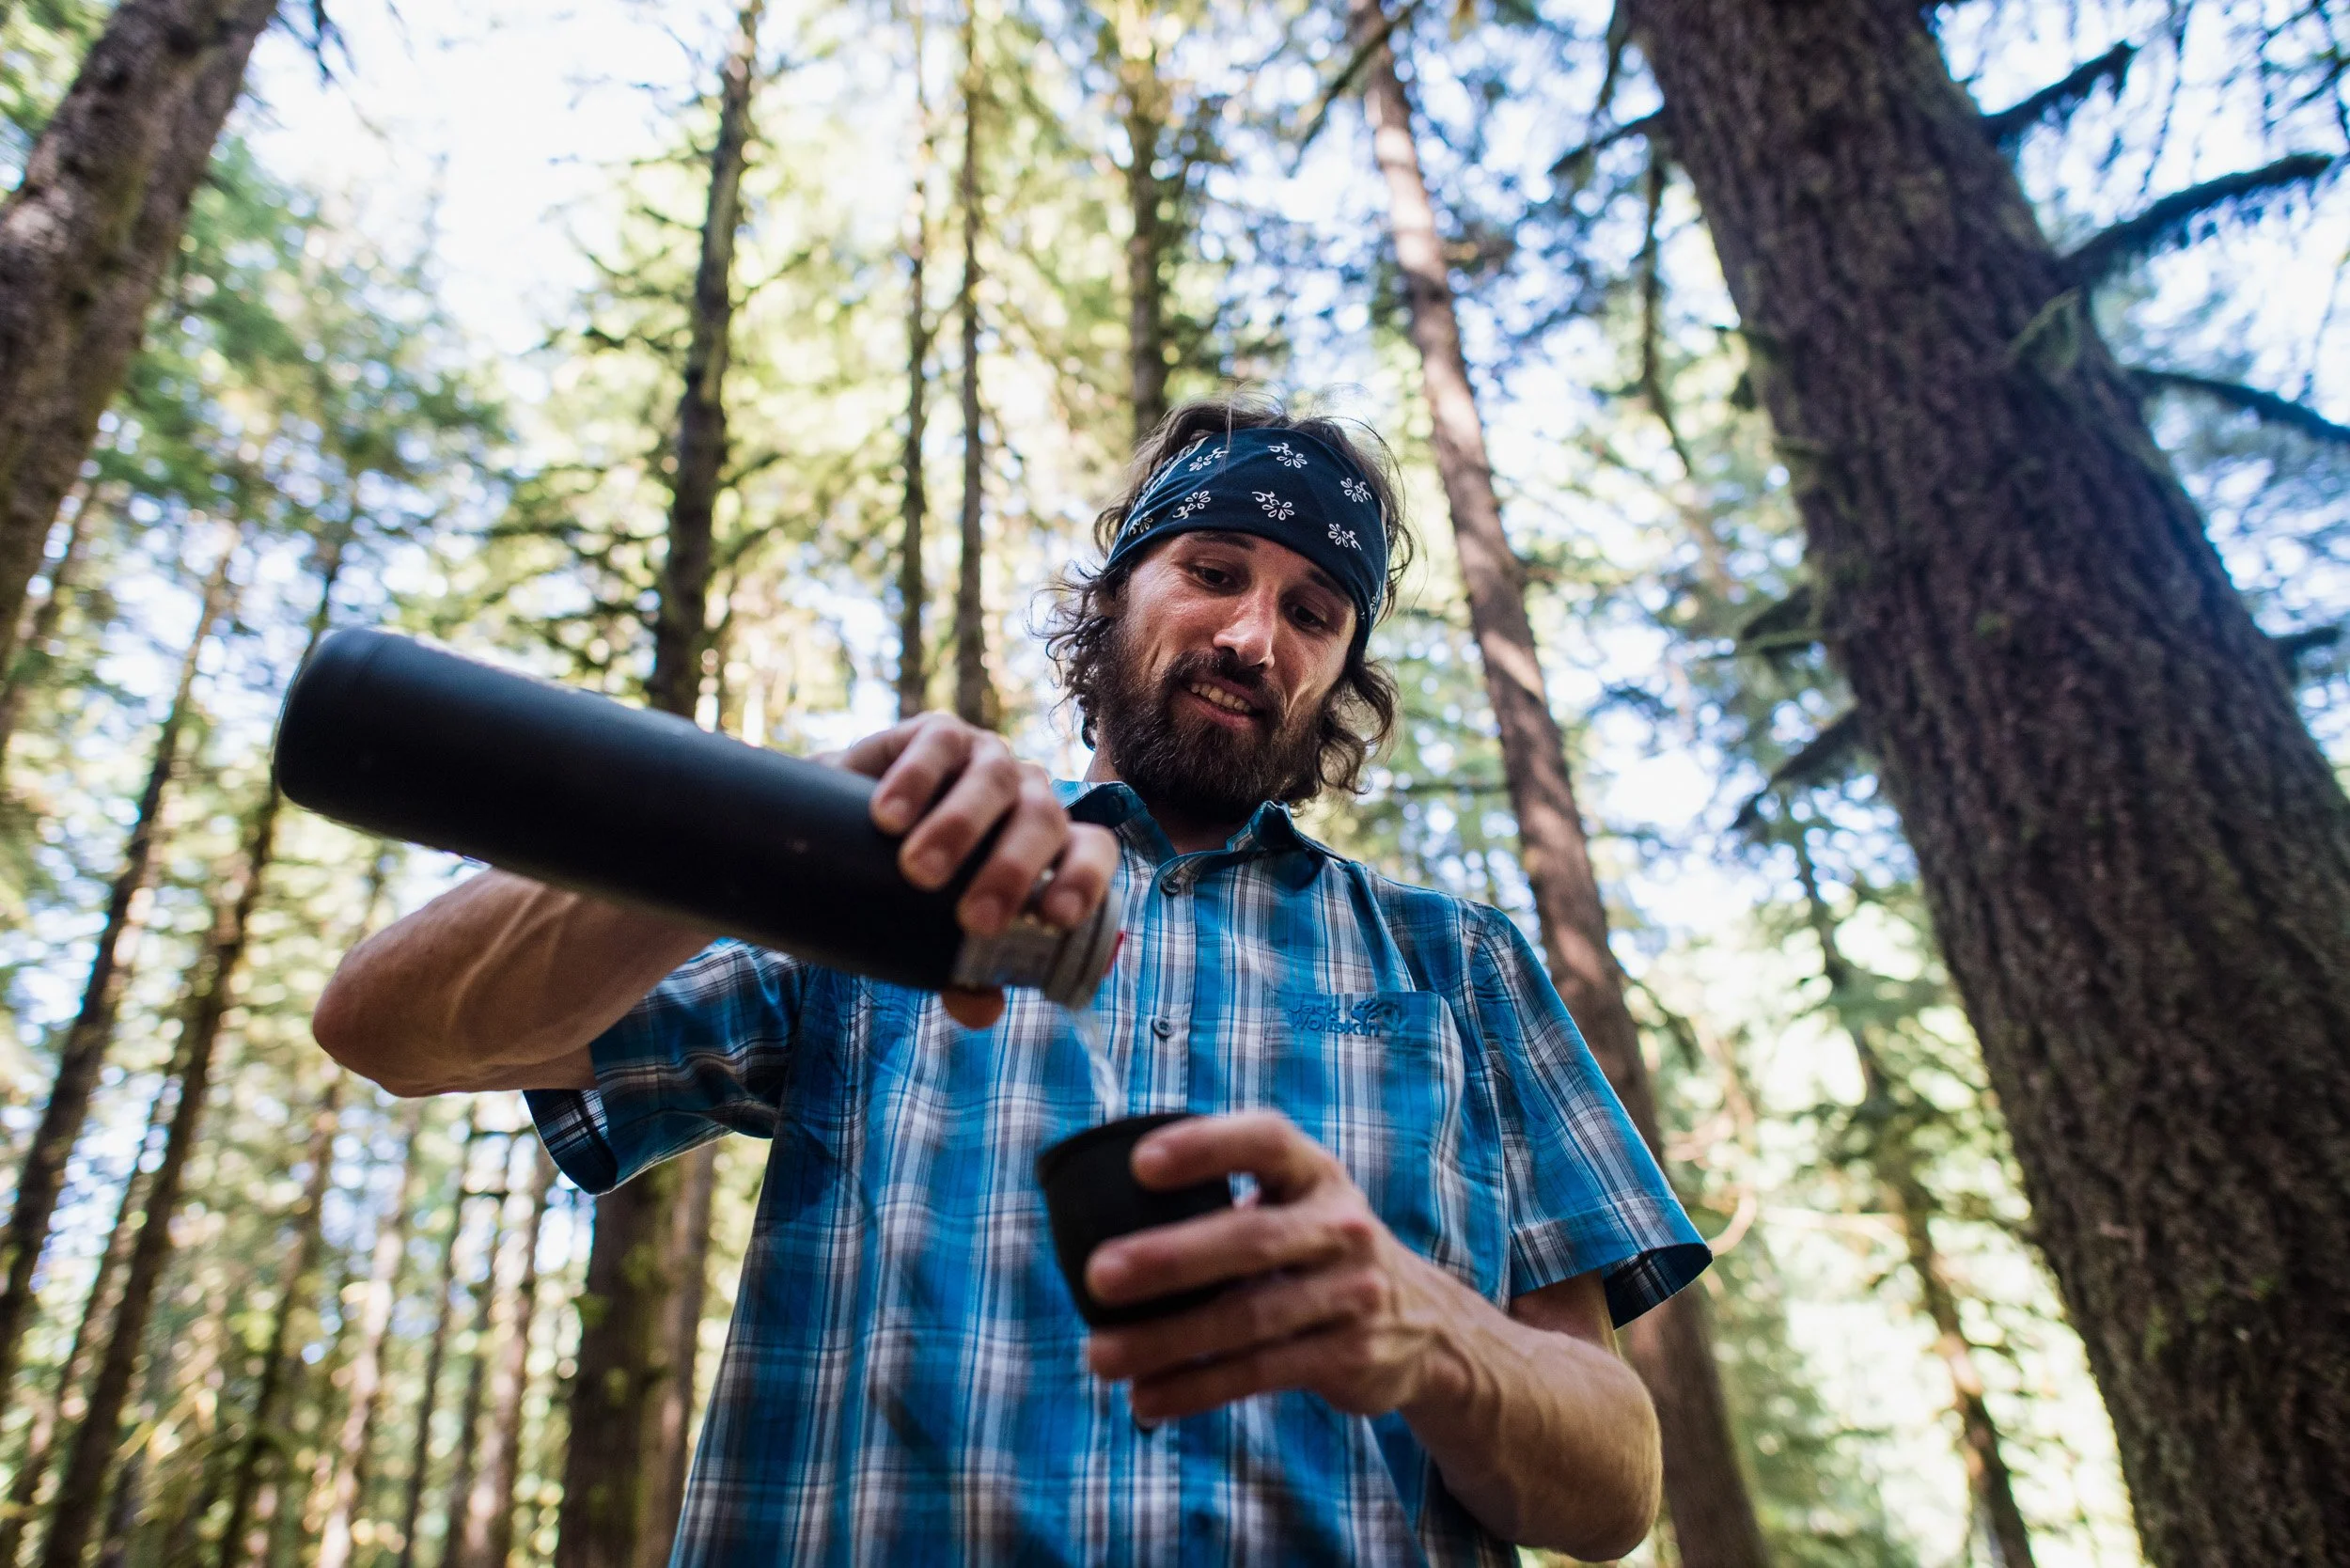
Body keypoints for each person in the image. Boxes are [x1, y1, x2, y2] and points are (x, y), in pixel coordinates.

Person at [311, 398, 1710, 1565]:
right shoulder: (895, 873)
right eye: (1213, 570)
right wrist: (772, 830)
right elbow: (390, 1031)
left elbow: (1614, 1488)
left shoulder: (1458, 967)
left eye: (1315, 609)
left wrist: (1436, 1331)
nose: (1251, 635)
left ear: (1342, 676)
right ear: (1112, 603)